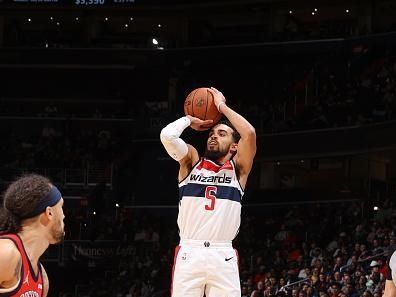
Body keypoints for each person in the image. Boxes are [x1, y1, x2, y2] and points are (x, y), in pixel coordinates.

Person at [160, 87, 256, 297]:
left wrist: (221, 106)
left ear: (234, 147)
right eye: (211, 133)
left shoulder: (238, 170)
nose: (213, 137)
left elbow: (248, 133)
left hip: (222, 254)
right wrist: (188, 120)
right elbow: (167, 136)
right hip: (190, 251)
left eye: (221, 134)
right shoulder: (191, 161)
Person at [0, 174, 65, 297]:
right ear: (49, 213)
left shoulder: (43, 279)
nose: (63, 215)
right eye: (61, 207)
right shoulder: (5, 252)